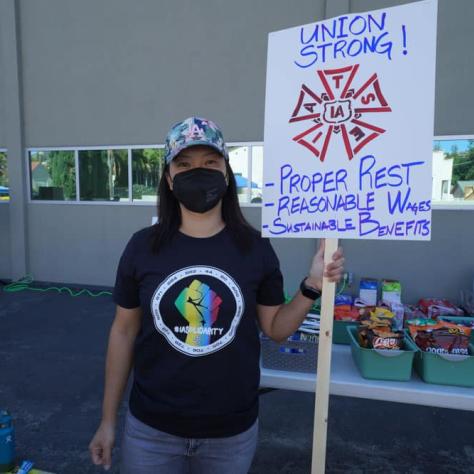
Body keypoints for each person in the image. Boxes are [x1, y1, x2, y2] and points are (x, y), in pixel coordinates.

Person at [89, 117, 344, 473]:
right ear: (168, 177)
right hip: (151, 430)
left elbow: (275, 328)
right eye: (184, 164)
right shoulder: (142, 247)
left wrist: (312, 285)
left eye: (210, 163)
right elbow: (123, 332)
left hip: (231, 434)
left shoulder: (255, 248)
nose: (199, 172)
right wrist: (107, 420)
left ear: (226, 173)